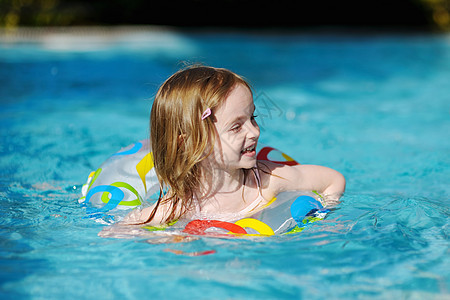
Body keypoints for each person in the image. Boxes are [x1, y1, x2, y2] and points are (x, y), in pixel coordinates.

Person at [122, 65, 345, 227]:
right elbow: (119, 231)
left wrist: (322, 218)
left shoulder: (268, 182)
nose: (255, 131)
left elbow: (333, 180)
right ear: (188, 143)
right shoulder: (177, 208)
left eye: (253, 117)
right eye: (236, 126)